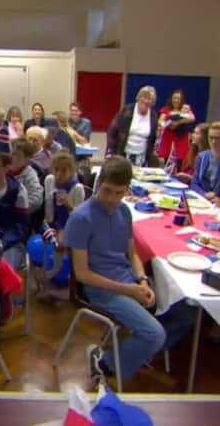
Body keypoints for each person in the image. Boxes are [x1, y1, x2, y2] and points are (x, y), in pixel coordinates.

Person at [64, 156, 195, 384]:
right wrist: (129, 289)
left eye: (119, 193)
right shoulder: (81, 218)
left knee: (187, 311)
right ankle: (105, 363)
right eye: (107, 191)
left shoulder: (123, 211)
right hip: (99, 287)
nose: (112, 199)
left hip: (128, 281)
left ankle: (137, 351)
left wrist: (142, 281)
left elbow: (132, 254)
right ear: (99, 183)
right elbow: (83, 274)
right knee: (154, 334)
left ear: (127, 190)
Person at [43, 151, 85, 278]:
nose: (59, 174)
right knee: (43, 239)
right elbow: (48, 204)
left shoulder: (77, 188)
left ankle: (56, 270)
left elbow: (79, 217)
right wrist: (47, 223)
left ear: (71, 171)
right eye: (56, 170)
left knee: (59, 243)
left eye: (64, 171)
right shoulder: (49, 180)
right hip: (51, 220)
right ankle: (44, 267)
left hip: (68, 223)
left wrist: (69, 205)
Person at [106, 86, 159, 167]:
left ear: (152, 102)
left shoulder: (153, 116)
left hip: (142, 158)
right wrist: (110, 151)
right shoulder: (127, 110)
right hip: (122, 154)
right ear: (138, 97)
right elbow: (112, 131)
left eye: (150, 99)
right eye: (144, 97)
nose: (146, 101)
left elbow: (153, 139)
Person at [157, 89, 196, 170]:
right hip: (168, 138)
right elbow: (160, 121)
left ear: (182, 100)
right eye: (175, 98)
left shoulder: (186, 109)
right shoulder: (166, 109)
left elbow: (192, 118)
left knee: (180, 162)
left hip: (181, 139)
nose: (176, 100)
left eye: (178, 98)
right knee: (166, 162)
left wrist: (178, 123)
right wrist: (166, 124)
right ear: (171, 99)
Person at [8, 138, 44, 212]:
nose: (10, 157)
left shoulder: (30, 175)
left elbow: (37, 199)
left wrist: (17, 209)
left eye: (15, 154)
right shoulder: (2, 169)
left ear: (26, 159)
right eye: (9, 153)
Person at [190, 122, 220, 204]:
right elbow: (194, 183)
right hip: (203, 201)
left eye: (218, 138)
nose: (214, 142)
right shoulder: (202, 156)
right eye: (211, 138)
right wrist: (204, 195)